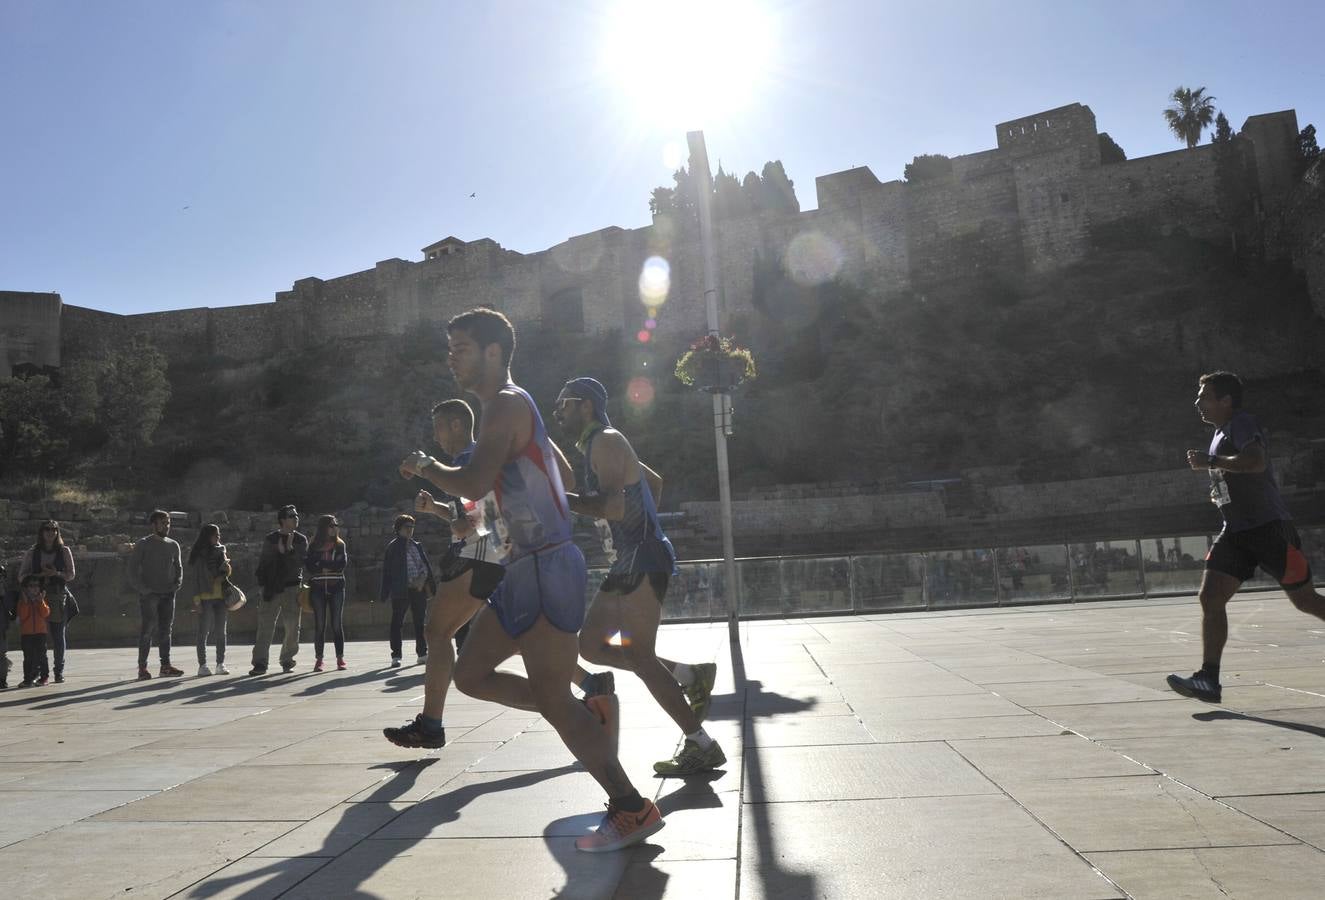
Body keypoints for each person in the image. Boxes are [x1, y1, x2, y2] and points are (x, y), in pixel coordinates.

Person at [396, 307, 662, 853]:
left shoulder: (507, 404)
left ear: (494, 352)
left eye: (461, 347)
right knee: (470, 674)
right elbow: (560, 474)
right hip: (522, 565)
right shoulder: (511, 409)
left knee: (548, 691)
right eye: (450, 348)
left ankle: (631, 806)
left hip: (544, 565)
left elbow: (471, 477)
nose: (451, 357)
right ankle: (582, 714)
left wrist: (426, 465)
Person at [383, 397, 610, 751]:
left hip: (480, 556)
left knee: (437, 632)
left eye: (440, 427)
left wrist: (427, 468)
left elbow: (477, 520)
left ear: (458, 425)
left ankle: (431, 724)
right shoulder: (473, 460)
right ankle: (589, 688)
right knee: (518, 640)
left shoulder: (468, 460)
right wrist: (438, 511)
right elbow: (476, 513)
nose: (437, 436)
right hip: (500, 557)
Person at [553, 377, 723, 776]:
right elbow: (655, 484)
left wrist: (560, 501)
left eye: (564, 404)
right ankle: (689, 675)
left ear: (586, 407)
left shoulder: (607, 442)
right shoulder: (604, 443)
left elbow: (612, 507)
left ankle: (701, 744)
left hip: (642, 559)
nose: (557, 411)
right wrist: (640, 529)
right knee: (592, 646)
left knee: (640, 657)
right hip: (632, 559)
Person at [1168, 371, 1325, 704]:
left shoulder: (1240, 423)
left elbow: (1255, 462)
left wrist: (1212, 462)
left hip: (1268, 528)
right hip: (1236, 531)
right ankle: (1208, 679)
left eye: (1204, 396)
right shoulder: (1218, 433)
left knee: (1306, 601)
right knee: (1210, 598)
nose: (1198, 402)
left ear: (1225, 401)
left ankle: (1208, 677)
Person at [127, 510, 184, 680]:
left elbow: (179, 567)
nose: (166, 526)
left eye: (168, 523)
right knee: (147, 630)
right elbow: (132, 570)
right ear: (153, 525)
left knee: (166, 631)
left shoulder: (173, 545)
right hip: (150, 595)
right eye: (163, 523)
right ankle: (142, 668)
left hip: (168, 594)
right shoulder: (143, 544)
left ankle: (165, 666)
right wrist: (143, 589)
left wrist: (177, 584)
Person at [251, 505, 307, 675]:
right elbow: (264, 564)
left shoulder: (300, 540)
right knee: (265, 626)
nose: (295, 518)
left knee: (292, 627)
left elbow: (300, 563)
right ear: (282, 519)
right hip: (272, 588)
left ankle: (287, 659)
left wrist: (289, 551)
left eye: (297, 515)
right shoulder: (271, 539)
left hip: (291, 587)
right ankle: (260, 663)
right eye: (291, 516)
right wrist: (279, 553)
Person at [19, 520, 76, 683]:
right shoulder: (33, 552)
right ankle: (39, 673)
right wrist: (37, 578)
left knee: (58, 636)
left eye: (54, 529)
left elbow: (71, 574)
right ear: (41, 532)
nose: (50, 532)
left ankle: (59, 671)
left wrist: (55, 573)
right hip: (36, 599)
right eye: (47, 529)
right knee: (38, 637)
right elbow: (21, 576)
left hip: (58, 597)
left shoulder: (64, 551)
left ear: (58, 532)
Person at [380, 514, 435, 667]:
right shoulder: (393, 547)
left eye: (412, 527)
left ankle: (422, 653)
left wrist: (423, 580)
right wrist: (385, 592)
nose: (410, 530)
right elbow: (387, 571)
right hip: (401, 590)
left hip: (418, 589)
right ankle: (396, 655)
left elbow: (424, 565)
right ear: (398, 529)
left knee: (420, 622)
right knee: (397, 623)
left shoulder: (416, 545)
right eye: (407, 527)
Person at [306, 514, 349, 672]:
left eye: (336, 525)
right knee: (320, 624)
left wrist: (322, 564)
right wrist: (324, 565)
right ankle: (319, 659)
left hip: (336, 586)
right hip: (318, 587)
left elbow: (341, 565)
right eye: (331, 525)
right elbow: (310, 565)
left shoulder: (340, 545)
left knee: (337, 623)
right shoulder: (314, 545)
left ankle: (340, 658)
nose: (334, 528)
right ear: (324, 528)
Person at [188, 523, 232, 676]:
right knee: (203, 632)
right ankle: (203, 665)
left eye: (219, 534)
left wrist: (226, 570)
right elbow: (195, 579)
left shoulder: (222, 550)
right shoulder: (199, 554)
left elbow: (225, 573)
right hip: (205, 597)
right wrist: (196, 600)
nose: (218, 537)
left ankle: (220, 663)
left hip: (221, 596)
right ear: (207, 536)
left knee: (221, 632)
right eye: (215, 534)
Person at [16, 574, 50, 687]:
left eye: (37, 586)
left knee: (42, 656)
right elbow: (22, 615)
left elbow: (45, 613)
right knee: (28, 658)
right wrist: (25, 603)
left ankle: (44, 677)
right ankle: (28, 679)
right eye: (31, 586)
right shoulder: (22, 601)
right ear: (26, 588)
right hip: (27, 634)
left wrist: (41, 602)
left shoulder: (41, 600)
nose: (34, 588)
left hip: (41, 633)